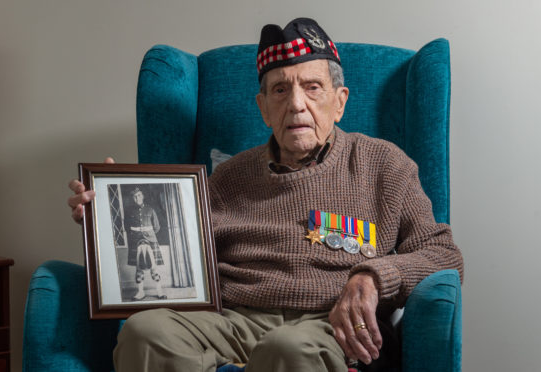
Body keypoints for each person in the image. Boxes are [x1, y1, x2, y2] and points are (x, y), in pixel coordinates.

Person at [68, 18, 463, 372]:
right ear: (263, 109)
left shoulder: (384, 165)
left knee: (288, 348)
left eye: (312, 87)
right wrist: (106, 215)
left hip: (328, 325)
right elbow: (172, 250)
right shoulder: (227, 177)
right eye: (279, 90)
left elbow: (444, 254)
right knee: (145, 331)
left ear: (339, 101)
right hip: (235, 320)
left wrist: (374, 276)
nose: (296, 104)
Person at [124, 186, 166, 300]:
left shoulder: (150, 209)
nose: (136, 198)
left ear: (142, 196)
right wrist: (137, 233)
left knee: (154, 267)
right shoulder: (128, 211)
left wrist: (148, 233)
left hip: (151, 239)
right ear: (132, 198)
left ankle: (159, 291)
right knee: (138, 267)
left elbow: (157, 227)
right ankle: (140, 292)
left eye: (138, 195)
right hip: (135, 240)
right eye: (134, 196)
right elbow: (127, 227)